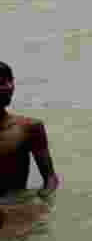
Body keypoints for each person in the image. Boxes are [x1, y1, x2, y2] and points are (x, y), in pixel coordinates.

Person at [0, 62, 60, 230]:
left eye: (10, 80)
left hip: (17, 208)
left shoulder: (30, 128)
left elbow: (50, 178)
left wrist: (43, 202)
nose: (9, 86)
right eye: (1, 82)